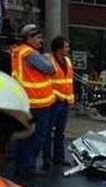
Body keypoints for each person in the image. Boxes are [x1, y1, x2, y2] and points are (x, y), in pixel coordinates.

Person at [11, 23, 55, 181]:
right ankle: (28, 168)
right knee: (37, 137)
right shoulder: (31, 53)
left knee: (23, 136)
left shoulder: (17, 52)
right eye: (38, 38)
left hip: (25, 102)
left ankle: (20, 167)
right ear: (28, 38)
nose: (41, 41)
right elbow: (50, 69)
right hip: (38, 103)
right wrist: (46, 58)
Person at [45, 35, 73, 168]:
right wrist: (56, 95)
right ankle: (47, 159)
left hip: (65, 101)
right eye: (66, 46)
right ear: (58, 48)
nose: (68, 49)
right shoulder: (49, 61)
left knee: (60, 132)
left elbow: (69, 81)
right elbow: (48, 82)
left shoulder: (67, 61)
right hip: (54, 101)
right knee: (48, 130)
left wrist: (71, 97)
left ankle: (59, 158)